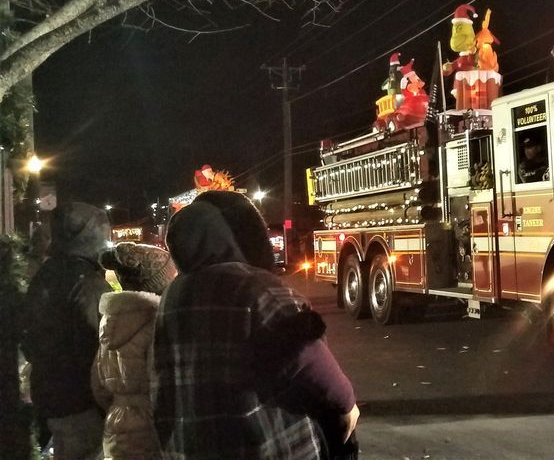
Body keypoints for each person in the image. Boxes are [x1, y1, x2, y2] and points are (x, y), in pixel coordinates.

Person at [152, 192, 359, 459]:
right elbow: (310, 360)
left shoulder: (172, 296)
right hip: (264, 446)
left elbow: (160, 379)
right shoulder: (259, 288)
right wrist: (348, 405)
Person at [21, 202, 113, 460]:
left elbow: (29, 336)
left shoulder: (46, 274)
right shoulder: (86, 283)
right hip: (81, 400)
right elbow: (98, 346)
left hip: (51, 394)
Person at [91, 242, 177, 460]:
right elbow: (163, 387)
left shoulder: (111, 322)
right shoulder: (157, 323)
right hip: (152, 429)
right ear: (161, 282)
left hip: (116, 424)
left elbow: (98, 386)